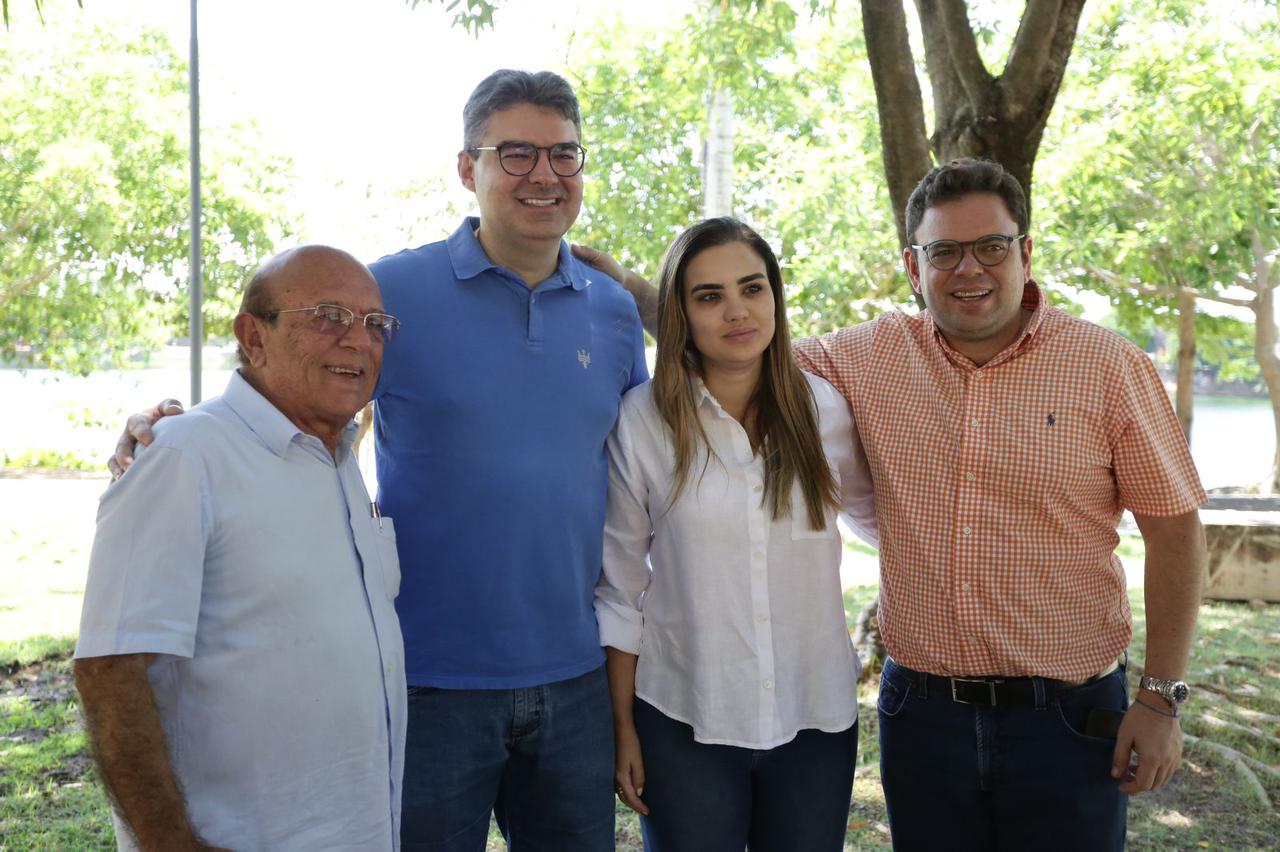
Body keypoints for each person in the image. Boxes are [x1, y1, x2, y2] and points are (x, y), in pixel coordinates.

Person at [578, 158, 1207, 851]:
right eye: (944, 252)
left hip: (1065, 718)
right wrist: (639, 292)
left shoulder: (1108, 366)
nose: (969, 269)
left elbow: (1176, 531)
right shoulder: (866, 360)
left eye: (991, 247)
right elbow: (738, 343)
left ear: (1024, 252)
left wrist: (1160, 697)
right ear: (914, 266)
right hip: (925, 720)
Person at [110, 70, 647, 852]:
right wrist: (168, 424)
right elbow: (287, 392)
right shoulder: (394, 290)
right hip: (425, 679)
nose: (544, 174)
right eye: (517, 153)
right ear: (469, 169)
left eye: (564, 155)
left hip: (576, 675)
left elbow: (644, 458)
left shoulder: (614, 309)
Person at [76, 246, 406, 852]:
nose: (359, 342)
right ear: (254, 337)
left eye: (375, 324)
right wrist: (169, 843)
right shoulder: (182, 456)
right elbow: (108, 670)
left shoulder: (339, 459)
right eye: (330, 316)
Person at [595, 218, 877, 852]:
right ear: (679, 313)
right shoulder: (643, 423)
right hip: (684, 715)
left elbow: (882, 523)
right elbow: (618, 591)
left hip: (815, 720)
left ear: (775, 297)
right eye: (709, 296)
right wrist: (623, 729)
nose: (737, 311)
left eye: (752, 288)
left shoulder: (826, 410)